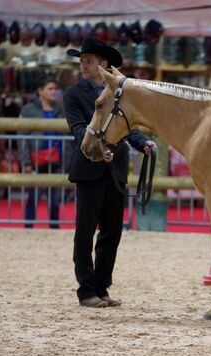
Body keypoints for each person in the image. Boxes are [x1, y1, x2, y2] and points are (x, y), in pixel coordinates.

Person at [63, 37, 156, 308]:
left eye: (88, 61)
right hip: (89, 166)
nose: (83, 66)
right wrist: (99, 148)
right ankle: (86, 289)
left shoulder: (118, 93)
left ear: (103, 65)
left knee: (112, 232)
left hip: (115, 169)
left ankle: (102, 286)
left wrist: (143, 144)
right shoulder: (73, 94)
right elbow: (78, 128)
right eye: (81, 62)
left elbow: (129, 127)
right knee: (85, 232)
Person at [19, 75, 64, 229]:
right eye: (50, 89)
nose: (54, 92)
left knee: (55, 199)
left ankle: (54, 229)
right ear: (40, 90)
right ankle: (28, 228)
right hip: (36, 160)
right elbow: (22, 137)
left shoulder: (59, 109)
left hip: (57, 160)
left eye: (55, 89)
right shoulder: (28, 109)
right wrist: (25, 162)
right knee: (33, 197)